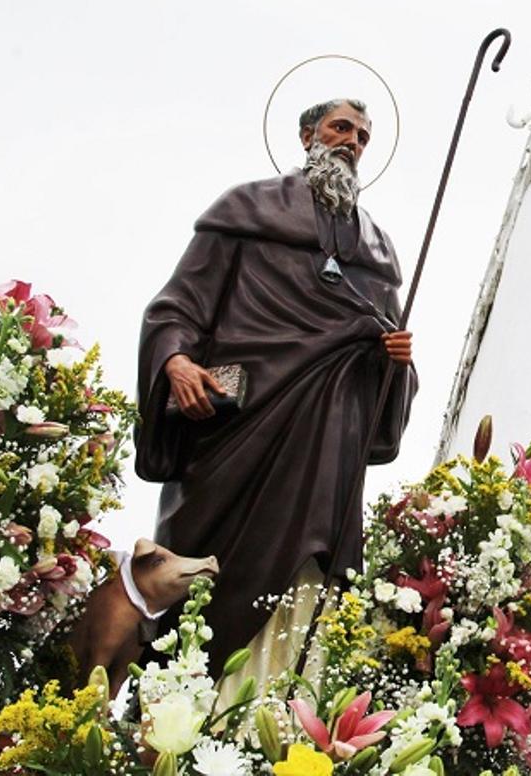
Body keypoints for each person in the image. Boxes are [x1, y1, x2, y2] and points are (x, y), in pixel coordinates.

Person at [134, 98, 417, 679]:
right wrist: (177, 362)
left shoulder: (378, 253)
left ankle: (284, 710)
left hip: (327, 433)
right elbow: (176, 307)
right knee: (207, 566)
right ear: (309, 134)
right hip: (240, 426)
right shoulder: (246, 209)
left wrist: (398, 362)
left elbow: (387, 357)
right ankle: (186, 709)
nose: (352, 142)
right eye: (342, 128)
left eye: (363, 136)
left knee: (310, 571)